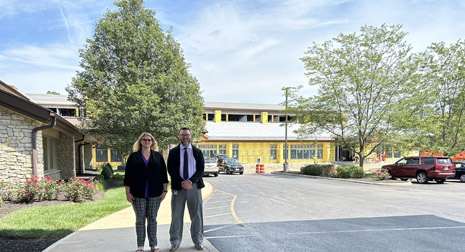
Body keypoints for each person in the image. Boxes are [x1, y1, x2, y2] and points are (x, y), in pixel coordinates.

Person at [124, 132, 169, 252]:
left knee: (152, 219)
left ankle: (154, 245)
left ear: (152, 142)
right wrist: (128, 193)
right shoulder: (133, 156)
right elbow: (127, 176)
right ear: (140, 142)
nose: (147, 142)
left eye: (149, 140)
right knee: (140, 220)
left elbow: (163, 175)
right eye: (144, 140)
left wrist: (165, 190)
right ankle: (140, 246)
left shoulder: (158, 156)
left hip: (155, 193)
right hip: (137, 193)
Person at [167, 127, 205, 251]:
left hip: (194, 186)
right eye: (182, 135)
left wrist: (190, 181)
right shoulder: (173, 152)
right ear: (179, 136)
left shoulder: (197, 152)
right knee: (176, 215)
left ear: (191, 136)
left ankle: (198, 240)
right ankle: (175, 241)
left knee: (197, 215)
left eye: (187, 135)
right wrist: (182, 182)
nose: (185, 137)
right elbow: (171, 169)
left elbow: (200, 170)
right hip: (179, 187)